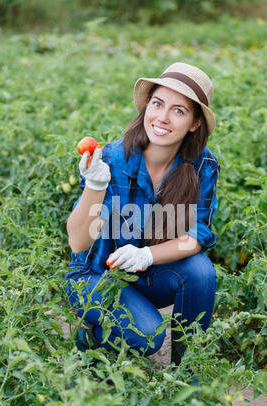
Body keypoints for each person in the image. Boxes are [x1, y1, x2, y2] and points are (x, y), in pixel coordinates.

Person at [65, 62, 220, 368]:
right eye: (157, 104)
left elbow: (198, 234)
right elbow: (78, 242)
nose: (162, 118)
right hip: (93, 278)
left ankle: (186, 372)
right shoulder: (109, 158)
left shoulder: (203, 166)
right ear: (146, 106)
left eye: (178, 110)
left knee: (201, 272)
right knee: (147, 335)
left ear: (194, 123)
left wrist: (147, 255)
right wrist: (95, 185)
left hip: (145, 275)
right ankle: (91, 334)